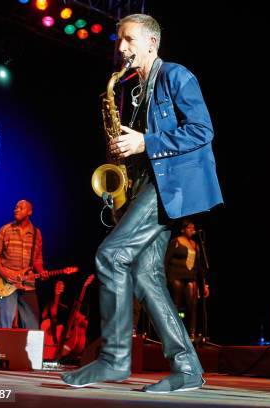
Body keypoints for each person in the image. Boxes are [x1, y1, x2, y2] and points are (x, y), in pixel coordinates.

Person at [61, 13, 222, 392]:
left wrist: (145, 142)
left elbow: (203, 130)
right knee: (146, 276)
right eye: (120, 41)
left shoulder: (177, 75)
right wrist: (126, 153)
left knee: (110, 255)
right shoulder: (134, 88)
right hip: (147, 183)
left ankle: (114, 359)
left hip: (172, 186)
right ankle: (186, 368)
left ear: (152, 43)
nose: (121, 48)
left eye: (129, 40)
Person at [0, 199, 48, 329]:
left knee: (32, 326)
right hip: (7, 283)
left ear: (30, 212)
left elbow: (37, 259)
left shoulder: (36, 234)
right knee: (4, 324)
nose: (16, 209)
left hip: (27, 284)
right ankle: (3, 349)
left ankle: (26, 350)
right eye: (16, 207)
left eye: (21, 208)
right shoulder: (5, 230)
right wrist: (4, 273)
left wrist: (41, 271)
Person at [164, 219, 210, 339]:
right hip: (176, 276)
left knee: (193, 304)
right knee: (176, 304)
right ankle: (173, 332)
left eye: (193, 228)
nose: (192, 230)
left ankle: (191, 333)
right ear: (183, 229)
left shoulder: (195, 245)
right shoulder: (176, 241)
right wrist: (164, 277)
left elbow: (199, 267)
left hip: (190, 277)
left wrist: (204, 284)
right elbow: (166, 260)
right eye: (189, 228)